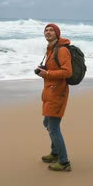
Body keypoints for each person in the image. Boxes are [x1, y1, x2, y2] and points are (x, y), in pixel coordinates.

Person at [35, 23, 73, 172]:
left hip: (58, 92)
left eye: (51, 30)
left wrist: (48, 74)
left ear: (57, 34)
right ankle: (55, 152)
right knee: (47, 123)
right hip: (50, 91)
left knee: (53, 127)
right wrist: (45, 71)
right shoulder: (50, 50)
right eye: (46, 30)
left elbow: (67, 72)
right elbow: (54, 69)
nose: (48, 32)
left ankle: (64, 162)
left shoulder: (62, 50)